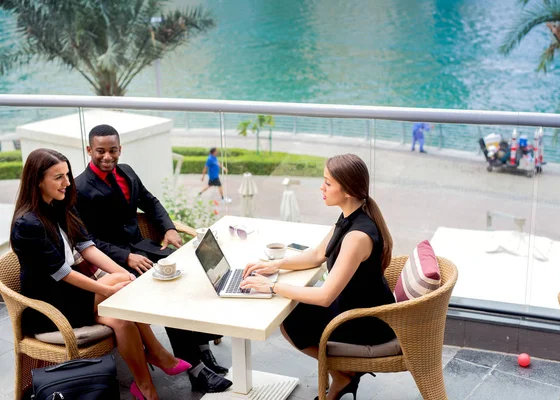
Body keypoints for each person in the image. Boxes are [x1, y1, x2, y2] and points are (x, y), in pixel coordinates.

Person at [10, 148, 192, 400]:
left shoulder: (59, 206)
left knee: (122, 312)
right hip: (49, 306)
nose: (67, 183)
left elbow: (87, 247)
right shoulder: (28, 223)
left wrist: (125, 276)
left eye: (67, 175)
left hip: (69, 294)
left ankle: (146, 386)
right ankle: (158, 355)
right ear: (38, 180)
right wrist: (106, 289)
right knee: (118, 292)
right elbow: (61, 272)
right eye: (58, 177)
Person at [74, 124, 232, 393]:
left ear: (120, 149)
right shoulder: (79, 188)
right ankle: (195, 369)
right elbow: (89, 241)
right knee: (168, 294)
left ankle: (203, 347)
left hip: (143, 247)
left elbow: (151, 202)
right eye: (100, 151)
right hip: (115, 260)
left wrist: (169, 228)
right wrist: (127, 256)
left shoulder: (128, 172)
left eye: (113, 150)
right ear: (89, 150)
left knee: (193, 271)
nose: (107, 156)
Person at [240, 154, 396, 400]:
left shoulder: (357, 236)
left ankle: (343, 374)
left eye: (328, 183)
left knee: (292, 320)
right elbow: (316, 255)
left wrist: (272, 286)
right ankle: (342, 375)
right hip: (359, 306)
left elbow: (324, 297)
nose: (321, 188)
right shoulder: (351, 215)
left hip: (368, 322)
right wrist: (274, 265)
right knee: (294, 314)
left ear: (347, 190)